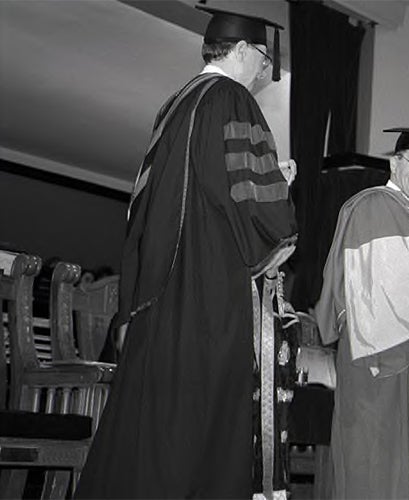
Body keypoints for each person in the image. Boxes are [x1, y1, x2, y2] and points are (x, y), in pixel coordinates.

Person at [76, 6, 298, 498]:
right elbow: (254, 202)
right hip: (207, 292)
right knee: (198, 430)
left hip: (156, 294)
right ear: (241, 51)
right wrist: (279, 190)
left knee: (148, 428)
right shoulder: (232, 99)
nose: (263, 73)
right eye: (262, 61)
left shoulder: (173, 105)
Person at [315, 128, 409, 499]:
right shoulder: (373, 204)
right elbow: (398, 275)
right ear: (394, 163)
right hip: (379, 350)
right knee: (376, 445)